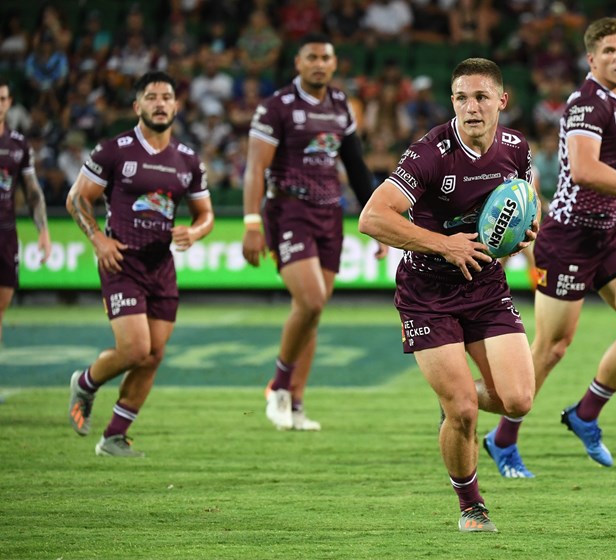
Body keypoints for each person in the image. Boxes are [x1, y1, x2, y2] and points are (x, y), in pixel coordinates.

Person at [483, 17, 616, 474]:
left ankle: (585, 414)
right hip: (570, 236)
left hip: (610, 232)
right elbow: (582, 170)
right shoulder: (586, 104)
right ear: (591, 59)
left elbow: (615, 168)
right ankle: (503, 439)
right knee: (553, 347)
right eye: (610, 51)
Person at [359, 57, 538, 532]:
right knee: (462, 409)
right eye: (461, 98)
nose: (471, 107)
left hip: (484, 285)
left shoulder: (517, 147)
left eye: (481, 97)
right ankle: (471, 506)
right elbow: (372, 218)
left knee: (519, 399)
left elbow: (524, 203)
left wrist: (524, 234)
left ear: (502, 100)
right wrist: (445, 244)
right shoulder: (431, 151)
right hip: (427, 292)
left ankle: (453, 396)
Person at [65, 71, 214, 457]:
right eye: (152, 97)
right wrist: (97, 239)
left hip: (161, 265)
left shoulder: (187, 160)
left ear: (177, 106)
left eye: (167, 96)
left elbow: (206, 214)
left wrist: (195, 233)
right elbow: (76, 199)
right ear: (137, 106)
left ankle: (114, 436)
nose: (160, 103)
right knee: (134, 349)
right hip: (122, 261)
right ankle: (85, 382)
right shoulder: (114, 150)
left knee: (154, 354)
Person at [241, 33, 386, 433]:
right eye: (312, 57)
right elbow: (255, 168)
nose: (320, 63)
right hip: (288, 210)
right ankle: (279, 385)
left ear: (335, 63)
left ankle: (296, 404)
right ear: (298, 63)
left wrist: (378, 223)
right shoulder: (277, 107)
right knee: (311, 301)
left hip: (329, 214)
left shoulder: (341, 105)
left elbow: (356, 168)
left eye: (326, 56)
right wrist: (251, 222)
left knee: (312, 313)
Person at [0, 79, 51, 344]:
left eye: (2, 99)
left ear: (8, 103)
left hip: (6, 235)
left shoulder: (19, 145)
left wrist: (43, 231)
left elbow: (32, 192)